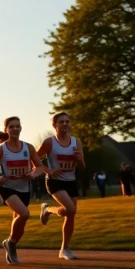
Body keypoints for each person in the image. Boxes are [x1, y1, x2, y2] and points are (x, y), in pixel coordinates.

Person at [0, 116, 45, 264]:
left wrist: (33, 174)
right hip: (7, 188)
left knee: (20, 226)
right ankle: (10, 243)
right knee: (25, 214)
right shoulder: (1, 149)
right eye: (12, 127)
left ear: (21, 128)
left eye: (18, 126)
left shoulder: (28, 148)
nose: (15, 129)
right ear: (6, 130)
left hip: (24, 189)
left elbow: (41, 167)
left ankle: (11, 244)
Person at [37, 111, 85, 260]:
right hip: (54, 181)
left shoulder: (76, 142)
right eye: (61, 122)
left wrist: (79, 159)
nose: (65, 124)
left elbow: (83, 166)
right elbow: (35, 160)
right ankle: (48, 209)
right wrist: (48, 170)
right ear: (55, 125)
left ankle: (64, 248)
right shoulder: (49, 142)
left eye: (67, 121)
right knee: (70, 209)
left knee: (70, 214)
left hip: (71, 181)